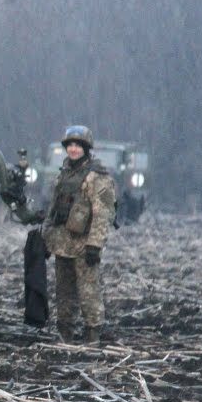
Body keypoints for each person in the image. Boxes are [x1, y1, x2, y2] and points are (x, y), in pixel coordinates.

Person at [42, 125, 117, 343]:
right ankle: (65, 331)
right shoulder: (64, 173)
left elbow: (103, 214)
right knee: (63, 292)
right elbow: (53, 209)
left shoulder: (97, 176)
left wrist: (95, 244)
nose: (74, 149)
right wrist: (47, 238)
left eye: (78, 145)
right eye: (70, 145)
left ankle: (92, 334)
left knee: (88, 292)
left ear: (86, 148)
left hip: (84, 245)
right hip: (62, 242)